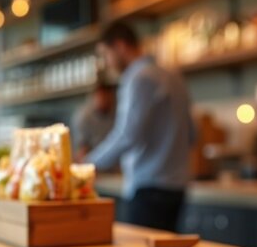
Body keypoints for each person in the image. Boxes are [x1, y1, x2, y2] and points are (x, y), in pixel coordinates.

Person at [86, 22, 193, 232]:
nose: (107, 63)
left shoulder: (138, 78)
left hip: (148, 188)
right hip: (177, 188)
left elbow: (127, 135)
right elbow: (192, 132)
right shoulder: (174, 77)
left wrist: (89, 164)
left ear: (120, 46)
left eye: (106, 54)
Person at [73, 82, 117, 160]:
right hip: (95, 161)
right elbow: (82, 150)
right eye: (101, 96)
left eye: (107, 96)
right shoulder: (84, 117)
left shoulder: (118, 112)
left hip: (116, 159)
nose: (104, 99)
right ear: (94, 97)